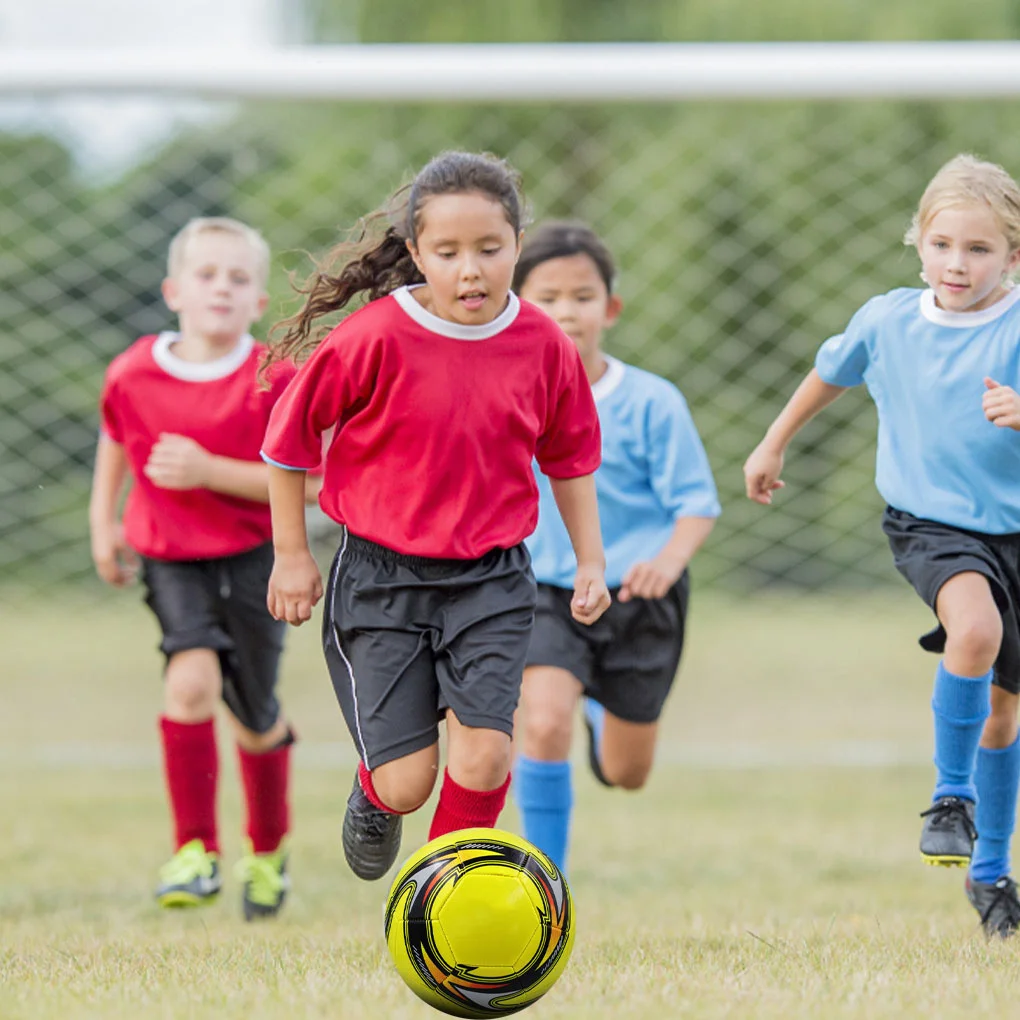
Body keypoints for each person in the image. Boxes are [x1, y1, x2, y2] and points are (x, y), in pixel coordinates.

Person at [259, 151, 611, 883]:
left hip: (492, 577)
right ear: (417, 253)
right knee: (407, 783)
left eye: (490, 249)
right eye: (447, 253)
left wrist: (590, 561)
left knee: (485, 754)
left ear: (518, 243)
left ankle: (437, 898)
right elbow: (286, 445)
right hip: (380, 579)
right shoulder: (373, 339)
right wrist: (291, 556)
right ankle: (372, 793)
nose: (471, 270)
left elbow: (570, 460)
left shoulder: (544, 345)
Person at [743, 153, 1020, 938]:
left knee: (1005, 712)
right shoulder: (889, 319)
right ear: (918, 241)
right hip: (931, 522)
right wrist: (773, 443)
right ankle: (949, 797)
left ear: (1013, 256)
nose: (956, 264)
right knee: (974, 630)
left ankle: (992, 871)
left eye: (978, 249)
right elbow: (831, 371)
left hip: (1017, 530)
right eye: (941, 245)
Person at [89, 216, 314, 920]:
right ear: (173, 291)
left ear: (257, 301)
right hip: (170, 556)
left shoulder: (276, 376)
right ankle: (194, 850)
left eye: (239, 278)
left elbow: (310, 486)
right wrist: (105, 521)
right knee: (190, 682)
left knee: (255, 718)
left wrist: (210, 471)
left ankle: (268, 851)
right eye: (207, 275)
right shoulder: (133, 370)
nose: (222, 287)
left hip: (255, 559)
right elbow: (116, 440)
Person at [510, 221, 720, 873]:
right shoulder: (507, 396)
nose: (567, 312)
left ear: (611, 308)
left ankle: (603, 710)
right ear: (518, 306)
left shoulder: (653, 401)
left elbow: (695, 504)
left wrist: (666, 562)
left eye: (582, 296)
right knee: (542, 723)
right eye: (548, 297)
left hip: (637, 595)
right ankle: (544, 888)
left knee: (628, 773)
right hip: (546, 590)